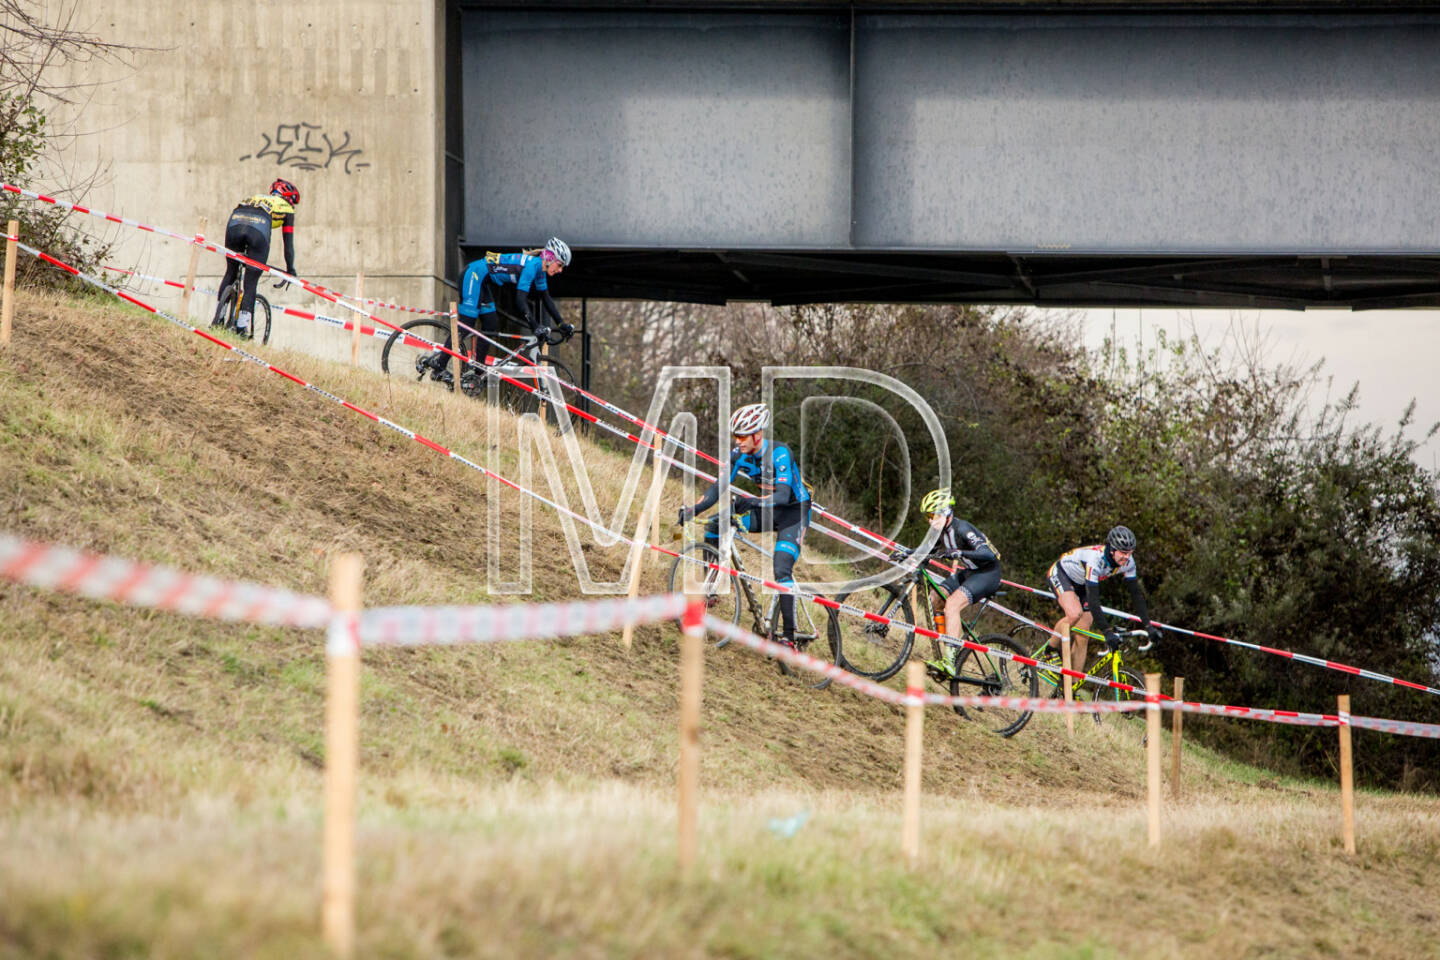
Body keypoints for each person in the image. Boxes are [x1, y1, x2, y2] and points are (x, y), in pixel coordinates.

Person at [677, 402, 811, 649]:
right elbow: (719, 487)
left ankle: (789, 637)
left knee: (781, 568)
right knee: (716, 526)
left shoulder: (780, 453)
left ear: (757, 435)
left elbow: (782, 496)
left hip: (793, 512)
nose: (737, 441)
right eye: (735, 435)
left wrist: (750, 501)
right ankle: (710, 589)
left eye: (741, 435)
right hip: (767, 508)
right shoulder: (739, 455)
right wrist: (693, 510)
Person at [425, 237, 574, 383]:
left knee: (491, 325)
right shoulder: (531, 267)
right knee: (466, 324)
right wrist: (535, 326)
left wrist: (562, 325)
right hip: (474, 275)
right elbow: (520, 301)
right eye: (559, 265)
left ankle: (478, 371)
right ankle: (439, 366)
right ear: (549, 258)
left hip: (483, 281)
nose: (560, 270)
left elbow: (546, 299)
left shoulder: (540, 271)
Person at [889, 489, 1003, 678]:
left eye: (932, 515)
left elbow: (989, 555)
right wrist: (907, 553)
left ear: (944, 512)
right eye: (928, 516)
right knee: (936, 598)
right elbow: (927, 548)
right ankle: (947, 649)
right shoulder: (941, 531)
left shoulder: (962, 529)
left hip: (988, 573)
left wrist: (960, 553)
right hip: (972, 572)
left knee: (952, 605)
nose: (929, 520)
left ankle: (950, 659)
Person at [1041, 525, 1163, 676]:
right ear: (1112, 549)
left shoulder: (1129, 563)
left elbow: (1136, 595)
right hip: (1062, 573)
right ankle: (1050, 650)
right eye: (1123, 553)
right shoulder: (1095, 559)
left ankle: (1070, 687)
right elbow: (1093, 600)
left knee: (1083, 634)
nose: (1127, 557)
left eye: (1130, 553)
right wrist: (1107, 631)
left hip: (1082, 582)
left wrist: (1148, 626)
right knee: (1074, 614)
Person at [215, 178, 298, 336]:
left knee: (230, 271)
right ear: (290, 199)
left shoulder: (257, 197)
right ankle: (241, 328)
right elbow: (288, 246)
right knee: (251, 280)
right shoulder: (287, 209)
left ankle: (218, 318)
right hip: (258, 227)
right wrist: (290, 269)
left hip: (235, 221)